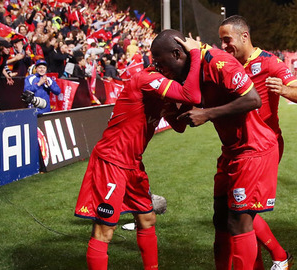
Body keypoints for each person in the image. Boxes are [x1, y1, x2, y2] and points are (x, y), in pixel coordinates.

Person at [74, 30, 202, 270]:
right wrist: (195, 53)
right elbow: (192, 93)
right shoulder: (147, 79)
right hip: (111, 161)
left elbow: (179, 126)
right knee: (105, 230)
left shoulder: (163, 87)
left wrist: (189, 108)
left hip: (132, 163)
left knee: (147, 218)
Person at [175, 41, 280, 270]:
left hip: (253, 150)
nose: (158, 66)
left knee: (239, 223)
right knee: (221, 218)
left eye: (161, 61)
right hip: (231, 152)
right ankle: (278, 257)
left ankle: (280, 256)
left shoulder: (217, 60)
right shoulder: (192, 72)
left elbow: (254, 100)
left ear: (176, 54)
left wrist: (208, 114)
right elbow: (182, 122)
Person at [218, 15, 297, 270]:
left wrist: (284, 90)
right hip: (237, 147)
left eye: (227, 40)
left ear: (244, 36)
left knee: (242, 211)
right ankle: (277, 257)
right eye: (221, 42)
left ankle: (279, 256)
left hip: (262, 147)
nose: (224, 47)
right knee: (240, 210)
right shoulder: (229, 64)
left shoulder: (270, 63)